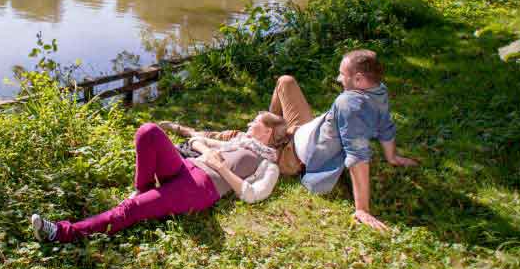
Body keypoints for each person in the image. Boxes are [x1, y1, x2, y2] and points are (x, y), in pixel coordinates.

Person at [164, 49, 418, 232]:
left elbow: (357, 157)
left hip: (293, 157)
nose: (339, 79)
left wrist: (362, 208)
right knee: (285, 82)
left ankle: (188, 131)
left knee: (235, 138)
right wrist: (392, 156)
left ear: (359, 79)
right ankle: (266, 125)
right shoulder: (378, 90)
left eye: (343, 75)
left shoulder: (350, 104)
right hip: (301, 130)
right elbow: (385, 124)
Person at [30, 116, 284, 243]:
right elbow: (198, 140)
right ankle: (144, 189)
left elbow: (253, 194)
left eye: (256, 122)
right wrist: (207, 152)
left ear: (268, 132)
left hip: (199, 188)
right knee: (148, 131)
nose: (250, 123)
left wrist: (222, 169)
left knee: (130, 209)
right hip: (186, 166)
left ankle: (60, 233)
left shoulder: (268, 164)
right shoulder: (239, 141)